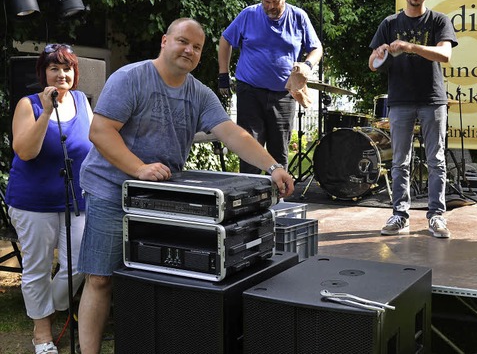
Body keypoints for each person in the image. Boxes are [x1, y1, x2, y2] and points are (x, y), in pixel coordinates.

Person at [76, 18, 295, 354]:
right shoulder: (130, 78)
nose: (189, 50)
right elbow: (101, 131)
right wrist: (139, 168)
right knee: (101, 278)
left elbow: (233, 133)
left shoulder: (199, 94)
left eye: (197, 47)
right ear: (164, 41)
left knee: (156, 276)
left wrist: (274, 166)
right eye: (183, 41)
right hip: (111, 189)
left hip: (159, 196)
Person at [5, 44, 93, 354]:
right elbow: (26, 151)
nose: (61, 74)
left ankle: (48, 308)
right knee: (38, 268)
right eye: (54, 68)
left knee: (81, 263)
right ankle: (41, 332)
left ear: (75, 73)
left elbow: (94, 147)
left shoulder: (83, 102)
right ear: (43, 72)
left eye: (67, 68)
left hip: (76, 199)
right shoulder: (27, 105)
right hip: (33, 202)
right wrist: (45, 112)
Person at [369, 0, 457, 238]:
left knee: (436, 160)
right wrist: (382, 52)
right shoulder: (389, 24)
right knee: (399, 162)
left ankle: (436, 216)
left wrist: (409, 47)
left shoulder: (439, 21)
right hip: (400, 101)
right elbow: (372, 64)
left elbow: (445, 56)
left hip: (432, 99)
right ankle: (399, 215)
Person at [218, 0, 323, 174]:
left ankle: (278, 200)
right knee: (249, 148)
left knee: (279, 152)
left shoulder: (298, 17)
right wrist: (223, 75)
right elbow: (225, 41)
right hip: (250, 91)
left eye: (275, 2)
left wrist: (308, 65)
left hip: (283, 94)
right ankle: (249, 200)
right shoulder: (248, 14)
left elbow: (316, 48)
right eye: (266, 2)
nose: (271, 7)